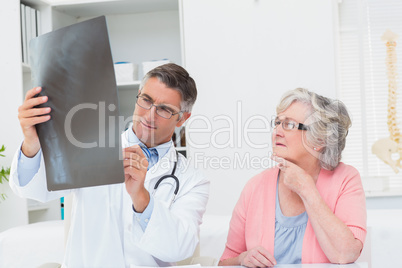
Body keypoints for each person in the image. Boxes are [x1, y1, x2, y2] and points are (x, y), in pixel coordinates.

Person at [9, 63, 210, 267]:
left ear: (182, 119)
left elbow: (179, 248)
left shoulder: (192, 180)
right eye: (146, 100)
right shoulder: (89, 145)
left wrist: (141, 198)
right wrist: (31, 143)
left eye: (165, 109)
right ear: (138, 95)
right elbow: (34, 190)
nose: (149, 115)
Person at [219, 88, 367, 267]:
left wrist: (307, 189)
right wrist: (242, 259)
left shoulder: (346, 179)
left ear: (319, 140)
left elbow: (346, 254)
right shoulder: (255, 186)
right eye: (277, 123)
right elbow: (225, 262)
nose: (277, 132)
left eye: (289, 125)